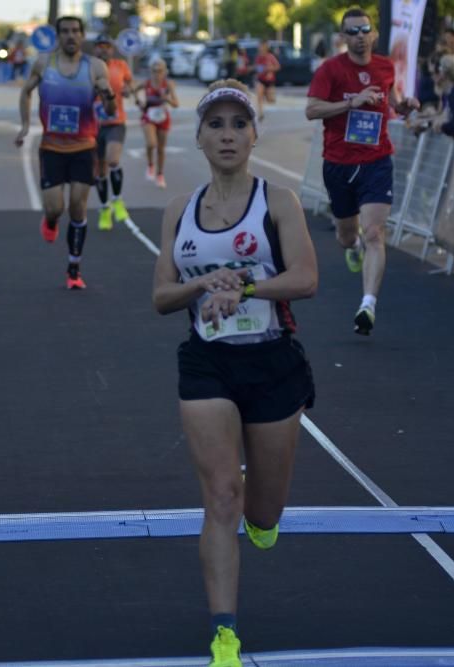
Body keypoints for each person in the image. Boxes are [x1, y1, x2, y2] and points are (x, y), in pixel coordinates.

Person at [152, 79, 318, 667]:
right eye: (215, 125)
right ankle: (225, 633)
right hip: (207, 363)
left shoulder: (277, 202)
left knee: (261, 513)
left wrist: (245, 285)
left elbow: (306, 278)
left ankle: (262, 518)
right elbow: (161, 297)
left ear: (254, 135)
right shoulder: (180, 210)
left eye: (238, 125)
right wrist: (202, 285)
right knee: (221, 496)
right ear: (198, 138)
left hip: (272, 360)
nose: (227, 135)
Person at [306, 6, 419, 335]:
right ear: (343, 37)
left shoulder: (385, 66)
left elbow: (392, 100)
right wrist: (349, 103)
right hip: (339, 163)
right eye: (351, 32)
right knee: (347, 236)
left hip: (376, 161)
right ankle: (352, 247)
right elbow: (311, 110)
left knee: (374, 233)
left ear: (374, 34)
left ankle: (367, 305)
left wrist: (404, 105)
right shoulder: (330, 69)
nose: (359, 37)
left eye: (364, 30)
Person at [14, 16, 115, 290]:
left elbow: (111, 112)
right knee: (55, 207)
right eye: (66, 32)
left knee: (78, 208)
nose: (71, 36)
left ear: (82, 35)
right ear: (58, 36)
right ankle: (49, 220)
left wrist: (109, 96)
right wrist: (25, 126)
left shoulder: (95, 67)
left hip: (84, 148)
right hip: (52, 149)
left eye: (75, 31)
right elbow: (25, 92)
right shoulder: (44, 63)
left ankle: (74, 269)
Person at [93, 34, 135, 230]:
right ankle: (104, 209)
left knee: (113, 160)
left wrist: (128, 90)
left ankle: (117, 200)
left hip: (116, 122)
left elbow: (129, 84)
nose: (103, 49)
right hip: (93, 125)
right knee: (99, 170)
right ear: (95, 49)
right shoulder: (88, 68)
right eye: (100, 46)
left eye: (107, 46)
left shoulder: (120, 65)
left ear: (112, 49)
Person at [137, 58, 178, 189]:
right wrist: (139, 101)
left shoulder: (168, 84)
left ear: (164, 72)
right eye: (154, 71)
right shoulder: (146, 83)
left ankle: (160, 175)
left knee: (160, 148)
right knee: (151, 143)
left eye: (159, 71)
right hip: (148, 115)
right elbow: (133, 89)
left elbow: (176, 104)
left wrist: (168, 99)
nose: (157, 73)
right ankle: (150, 165)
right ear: (150, 71)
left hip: (162, 117)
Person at [253, 40, 280, 121]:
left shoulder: (270, 57)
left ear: (266, 48)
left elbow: (278, 67)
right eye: (260, 46)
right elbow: (257, 67)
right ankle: (260, 113)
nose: (261, 48)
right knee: (259, 96)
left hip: (269, 81)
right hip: (260, 80)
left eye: (263, 46)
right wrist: (256, 70)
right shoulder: (258, 57)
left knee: (271, 100)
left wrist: (270, 69)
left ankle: (266, 95)